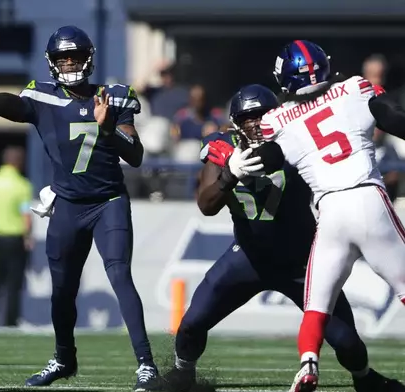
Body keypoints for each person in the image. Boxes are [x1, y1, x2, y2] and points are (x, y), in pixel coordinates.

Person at [0, 25, 160, 391]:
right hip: (68, 205)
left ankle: (146, 364)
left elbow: (135, 155)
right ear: (51, 62)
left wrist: (110, 125)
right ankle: (63, 358)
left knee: (119, 275)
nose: (70, 64)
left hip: (108, 202)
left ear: (90, 58)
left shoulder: (113, 97)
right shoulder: (41, 97)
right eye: (63, 58)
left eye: (76, 56)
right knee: (62, 290)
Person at [163, 84, 400, 392]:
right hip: (248, 258)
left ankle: (365, 378)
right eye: (247, 117)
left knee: (347, 342)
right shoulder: (224, 148)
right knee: (192, 322)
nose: (255, 123)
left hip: (301, 261)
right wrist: (229, 173)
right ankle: (183, 375)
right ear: (235, 122)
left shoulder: (297, 139)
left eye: (261, 115)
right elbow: (207, 205)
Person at [261, 40, 405, 392]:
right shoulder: (353, 89)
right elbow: (389, 113)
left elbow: (267, 159)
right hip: (367, 197)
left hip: (330, 212)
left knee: (316, 304)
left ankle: (308, 362)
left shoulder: (276, 120)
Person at [0, 146, 33, 326]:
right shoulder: (22, 185)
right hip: (14, 238)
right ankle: (10, 322)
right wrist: (28, 236)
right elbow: (26, 216)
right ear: (19, 162)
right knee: (13, 284)